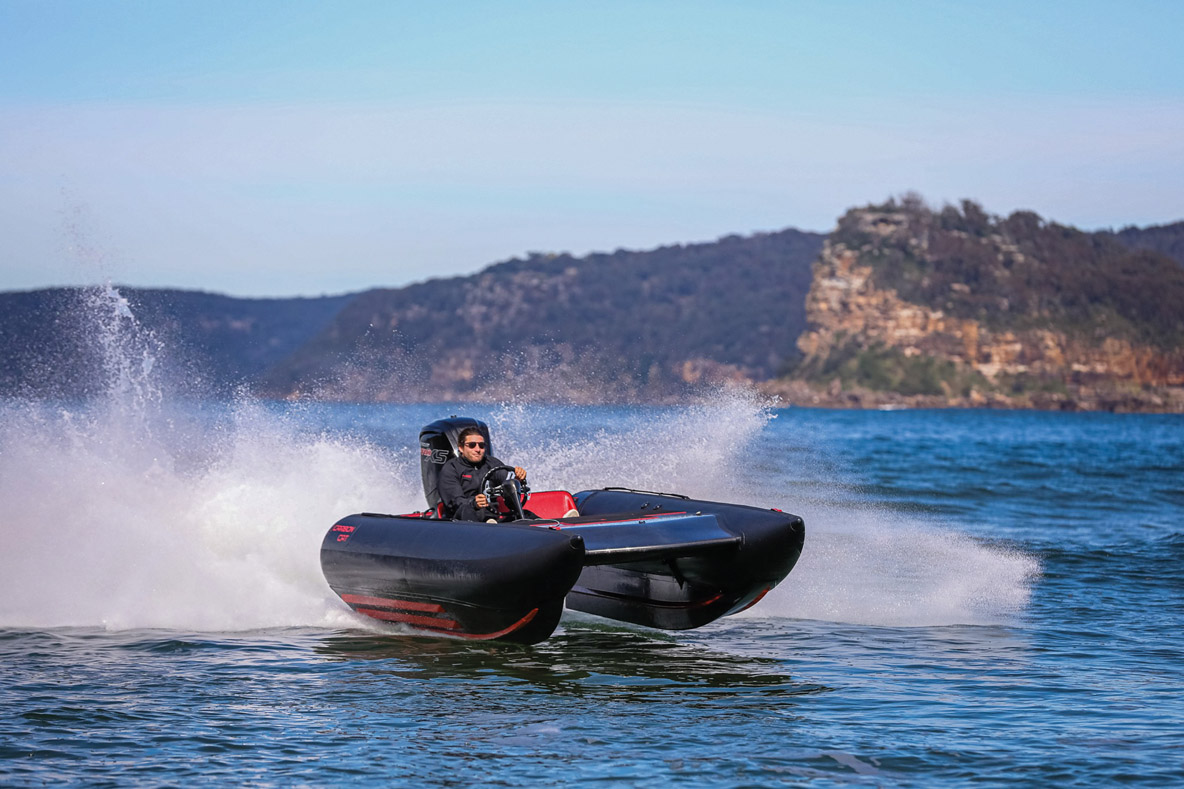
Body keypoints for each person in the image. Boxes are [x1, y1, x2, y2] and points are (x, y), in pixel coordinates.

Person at [438, 426, 527, 522]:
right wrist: (474, 503)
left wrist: (517, 479)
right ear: (461, 448)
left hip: (492, 517)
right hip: (461, 520)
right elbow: (454, 502)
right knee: (466, 509)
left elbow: (507, 481)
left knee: (525, 514)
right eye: (472, 445)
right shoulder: (451, 468)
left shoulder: (492, 463)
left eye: (481, 445)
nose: (477, 449)